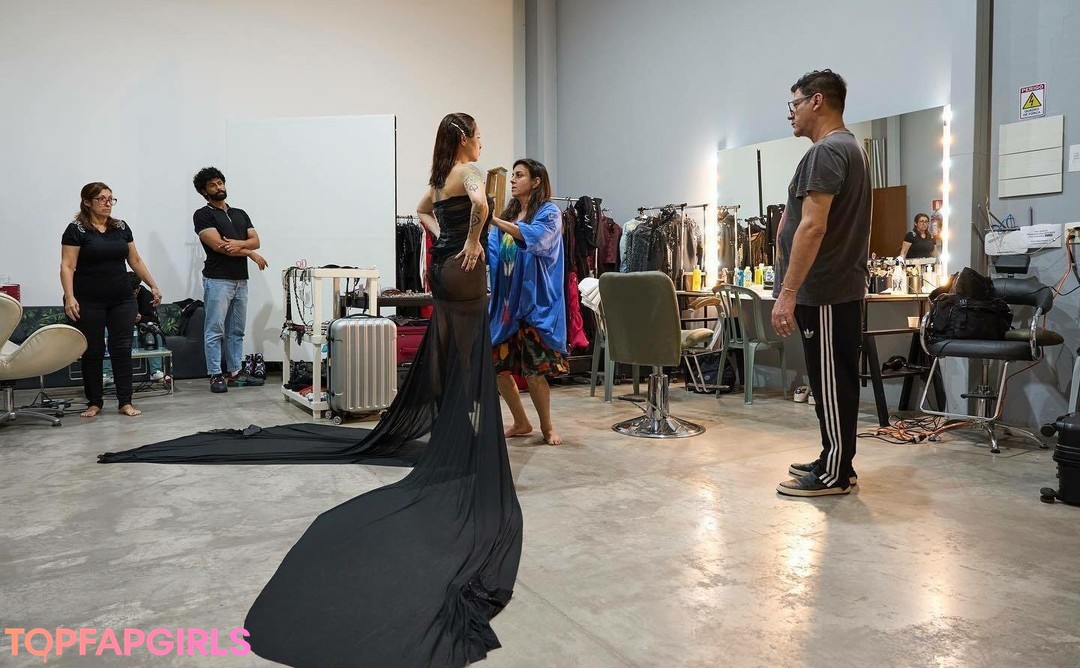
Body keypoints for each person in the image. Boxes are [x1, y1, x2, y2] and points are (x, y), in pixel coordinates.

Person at [102, 114, 524, 666]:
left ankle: (454, 436)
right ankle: (466, 441)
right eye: (478, 133)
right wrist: (474, 241)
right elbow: (483, 205)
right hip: (466, 270)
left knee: (447, 356)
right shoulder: (468, 170)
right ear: (465, 137)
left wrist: (442, 239)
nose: (481, 140)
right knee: (470, 356)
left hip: (442, 270)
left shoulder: (439, 175)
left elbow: (424, 211)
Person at [771, 70, 872, 497]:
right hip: (834, 288)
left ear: (817, 101)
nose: (790, 113)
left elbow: (812, 227)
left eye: (793, 104)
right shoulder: (848, 148)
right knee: (830, 380)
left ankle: (835, 473)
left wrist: (788, 292)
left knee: (830, 382)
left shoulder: (828, 151)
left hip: (826, 289)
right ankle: (835, 458)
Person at [61, 182, 163, 417]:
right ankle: (94, 402)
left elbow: (135, 260)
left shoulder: (121, 227)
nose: (108, 203)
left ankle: (125, 402)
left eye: (110, 199)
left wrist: (153, 285)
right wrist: (70, 296)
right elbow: (67, 265)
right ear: (87, 202)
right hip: (89, 300)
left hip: (122, 299)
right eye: (101, 199)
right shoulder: (76, 230)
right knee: (93, 350)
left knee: (122, 349)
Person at [487, 159, 568, 445]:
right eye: (512, 175)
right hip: (507, 306)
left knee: (534, 373)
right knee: (498, 369)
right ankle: (521, 422)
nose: (512, 180)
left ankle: (547, 427)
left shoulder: (549, 213)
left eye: (519, 175)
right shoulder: (509, 215)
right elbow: (493, 251)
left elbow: (538, 239)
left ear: (535, 181)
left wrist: (494, 220)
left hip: (535, 304)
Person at [192, 167, 268, 393]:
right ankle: (215, 374)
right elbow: (219, 246)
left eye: (220, 183)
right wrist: (249, 252)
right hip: (217, 280)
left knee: (236, 330)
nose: (218, 187)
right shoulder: (203, 214)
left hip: (240, 280)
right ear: (204, 191)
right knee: (215, 330)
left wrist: (241, 245)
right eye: (212, 185)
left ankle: (235, 371)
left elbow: (256, 240)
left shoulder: (240, 213)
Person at [103, 273, 166, 383]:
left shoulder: (146, 296)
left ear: (137, 289)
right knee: (105, 331)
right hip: (119, 325)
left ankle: (156, 371)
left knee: (154, 330)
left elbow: (154, 319)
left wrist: (141, 318)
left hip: (140, 327)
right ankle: (107, 374)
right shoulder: (116, 293)